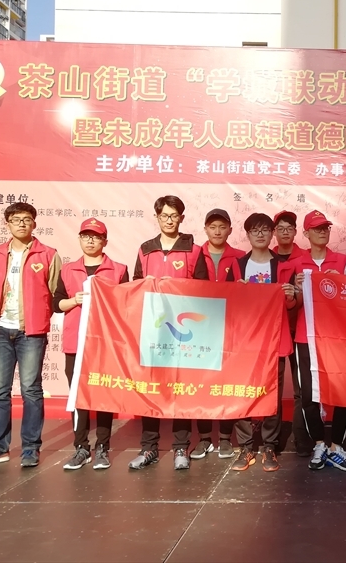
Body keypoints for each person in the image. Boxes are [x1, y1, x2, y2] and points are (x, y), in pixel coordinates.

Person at [0, 203, 61, 467]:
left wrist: (40, 318)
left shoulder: (48, 254)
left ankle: (31, 448)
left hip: (30, 332)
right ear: (7, 224)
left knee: (31, 390)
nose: (21, 223)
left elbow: (55, 292)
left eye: (26, 219)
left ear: (34, 223)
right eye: (15, 219)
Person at [129, 195, 205, 471]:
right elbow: (134, 287)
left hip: (183, 332)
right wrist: (145, 285)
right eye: (164, 216)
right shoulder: (145, 250)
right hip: (152, 330)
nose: (169, 220)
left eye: (174, 216)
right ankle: (148, 447)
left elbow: (204, 290)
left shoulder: (193, 250)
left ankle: (180, 447)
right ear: (157, 217)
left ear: (182, 218)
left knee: (179, 389)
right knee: (150, 388)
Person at [224, 213, 298, 472]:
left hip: (274, 339)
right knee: (241, 390)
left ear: (272, 233)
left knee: (272, 394)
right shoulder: (237, 266)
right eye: (254, 230)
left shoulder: (284, 266)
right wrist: (236, 291)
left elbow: (291, 306)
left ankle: (269, 446)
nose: (260, 234)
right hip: (244, 341)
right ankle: (245, 447)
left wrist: (290, 296)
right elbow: (226, 303)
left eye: (265, 230)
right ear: (247, 235)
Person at [53, 218, 129, 471]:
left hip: (105, 344)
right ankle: (81, 447)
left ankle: (103, 447)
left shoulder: (118, 270)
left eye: (96, 237)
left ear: (104, 241)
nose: (90, 241)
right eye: (86, 236)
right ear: (79, 239)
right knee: (78, 397)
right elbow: (57, 304)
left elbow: (126, 306)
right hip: (76, 343)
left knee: (104, 395)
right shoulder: (68, 270)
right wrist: (74, 300)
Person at [292, 210, 346, 472]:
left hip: (337, 337)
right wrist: (296, 289)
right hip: (306, 336)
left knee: (343, 391)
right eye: (317, 228)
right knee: (308, 395)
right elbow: (291, 304)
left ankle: (337, 445)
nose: (322, 232)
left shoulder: (343, 261)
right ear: (306, 233)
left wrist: (340, 282)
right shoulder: (297, 263)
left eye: (325, 228)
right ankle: (319, 443)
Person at [190, 208, 245, 461]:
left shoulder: (241, 257)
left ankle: (224, 438)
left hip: (230, 329)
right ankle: (204, 438)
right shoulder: (194, 255)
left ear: (230, 230)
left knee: (227, 382)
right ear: (205, 229)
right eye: (212, 227)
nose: (217, 231)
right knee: (199, 382)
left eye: (222, 227)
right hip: (198, 329)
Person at [271, 210, 311, 457]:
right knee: (273, 387)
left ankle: (301, 438)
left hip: (298, 330)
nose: (285, 232)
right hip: (273, 331)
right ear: (274, 232)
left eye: (289, 228)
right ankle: (272, 440)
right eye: (280, 228)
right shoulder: (266, 258)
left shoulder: (305, 258)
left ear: (296, 232)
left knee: (301, 389)